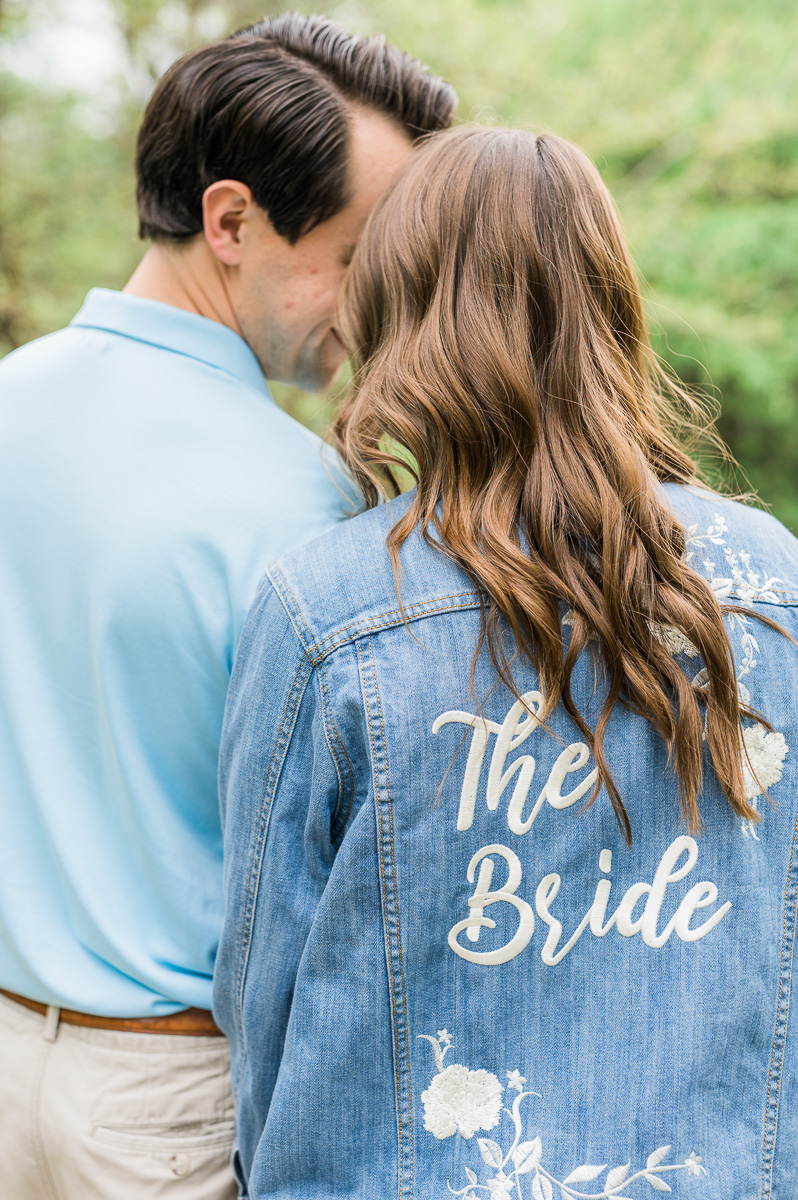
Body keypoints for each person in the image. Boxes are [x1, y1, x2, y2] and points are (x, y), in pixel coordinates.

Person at [215, 126, 798, 1199]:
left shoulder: (325, 606)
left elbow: (265, 990)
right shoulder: (773, 584)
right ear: (611, 305)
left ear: (398, 309)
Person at [0, 14, 454, 1199]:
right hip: (174, 1107)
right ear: (234, 221)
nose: (372, 314)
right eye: (357, 260)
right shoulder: (307, 505)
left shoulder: (9, 403)